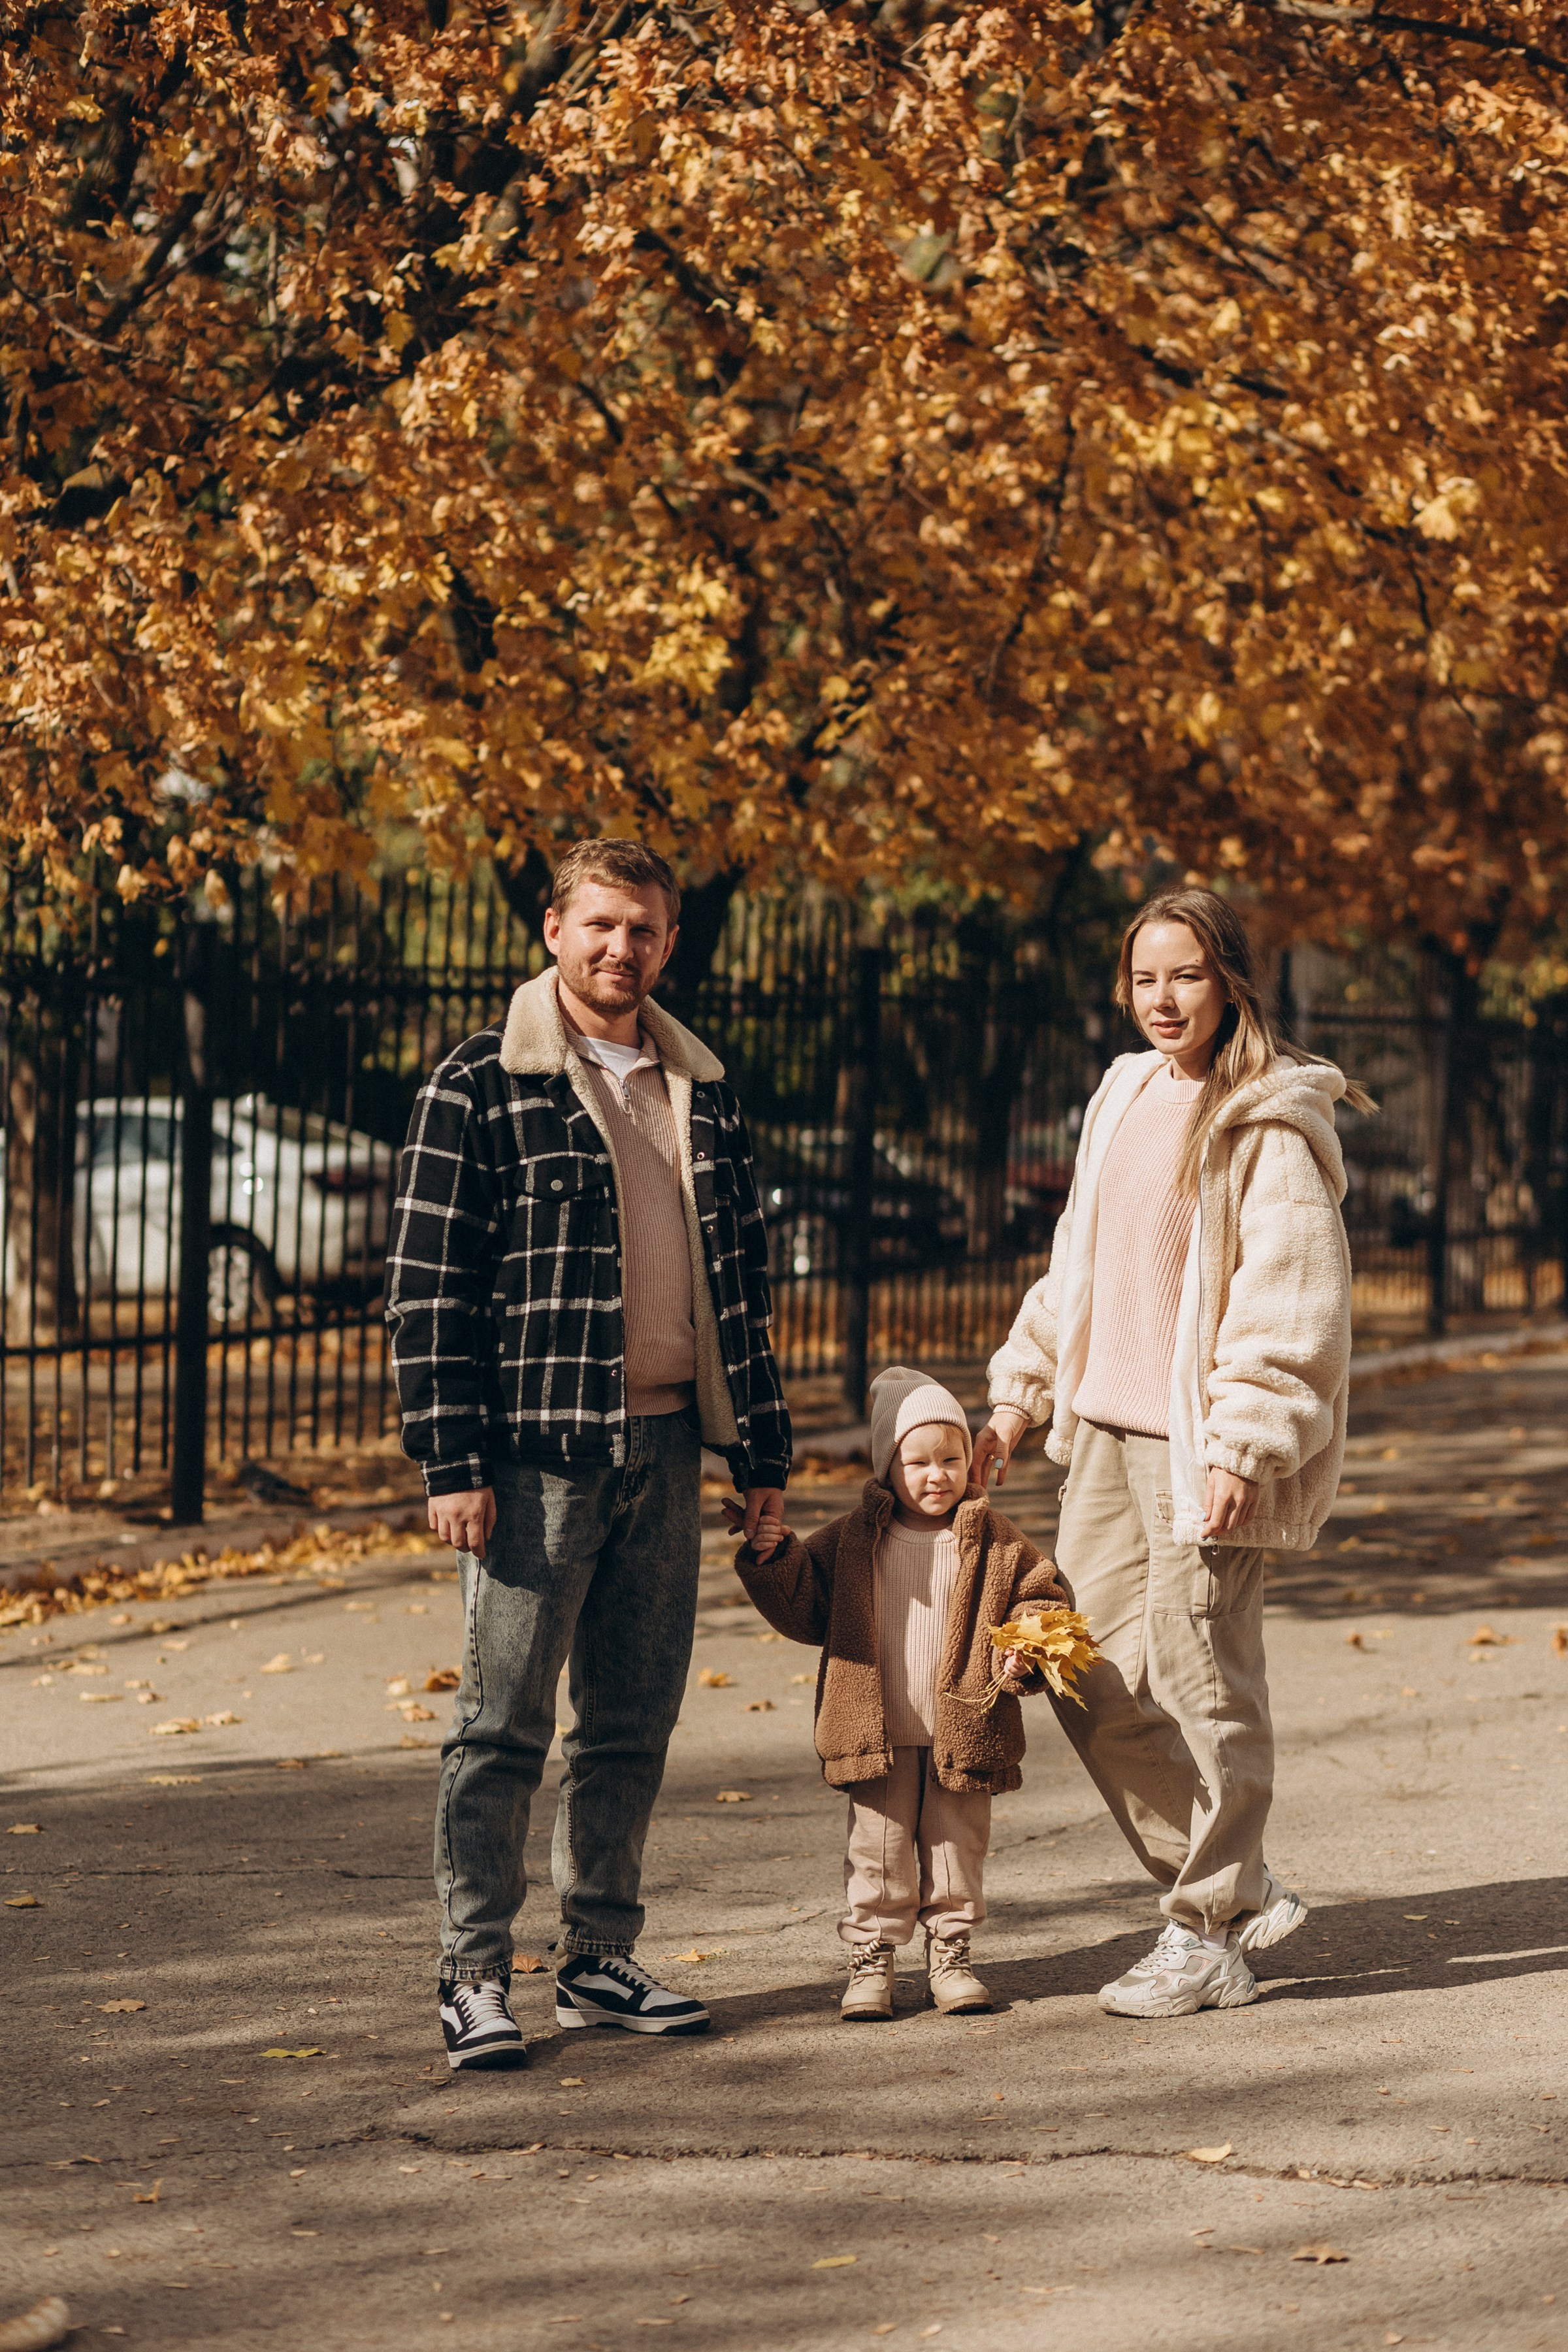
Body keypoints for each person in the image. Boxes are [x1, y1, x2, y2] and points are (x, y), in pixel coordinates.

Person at [385, 837, 791, 2070]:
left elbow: (741, 1286)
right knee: (501, 1724)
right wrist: (449, 1462)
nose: (623, 949)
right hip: (532, 1455)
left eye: (646, 931)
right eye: (601, 925)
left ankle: (599, 1957)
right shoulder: (480, 1080)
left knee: (631, 1720)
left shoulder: (700, 1086)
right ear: (552, 929)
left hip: (666, 1446)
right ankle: (471, 1973)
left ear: (670, 944)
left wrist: (758, 1445)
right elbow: (425, 1286)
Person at [975, 889, 1372, 2021]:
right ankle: (1234, 1889)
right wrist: (1018, 1397)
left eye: (1186, 975)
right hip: (1100, 1436)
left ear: (1230, 980)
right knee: (1066, 1660)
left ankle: (1207, 1931)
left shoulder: (1269, 1120)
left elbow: (1291, 1301)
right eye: (1145, 977)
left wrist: (1246, 1442)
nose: (1163, 999)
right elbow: (1080, 1265)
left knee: (1205, 1683)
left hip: (1201, 1448)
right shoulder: (1123, 1092)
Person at [731, 1365, 1064, 2022]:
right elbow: (806, 1606)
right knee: (877, 1853)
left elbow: (1042, 1593)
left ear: (970, 1461)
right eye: (917, 1461)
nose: (936, 1474)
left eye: (951, 1458)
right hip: (877, 1727)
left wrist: (1028, 1638)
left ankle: (952, 1956)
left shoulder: (994, 1539)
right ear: (887, 1465)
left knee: (955, 1849)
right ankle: (872, 1958)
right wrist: (775, 1558)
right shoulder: (855, 1539)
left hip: (964, 1724)